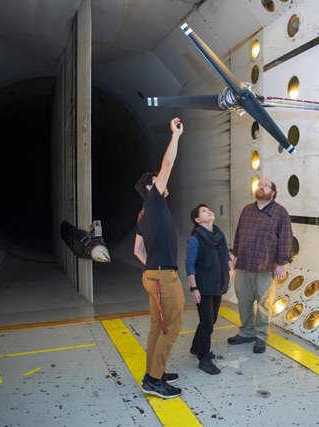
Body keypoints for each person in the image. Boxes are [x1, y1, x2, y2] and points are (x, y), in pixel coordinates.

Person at [133, 117, 184, 399]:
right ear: (151, 188)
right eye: (158, 181)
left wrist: (152, 269)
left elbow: (137, 251)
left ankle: (154, 371)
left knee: (156, 327)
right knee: (170, 327)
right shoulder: (154, 201)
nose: (164, 181)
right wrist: (174, 136)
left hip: (152, 275)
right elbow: (167, 166)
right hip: (163, 276)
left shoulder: (143, 214)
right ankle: (154, 380)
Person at [228, 178, 293, 354]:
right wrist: (235, 255)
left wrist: (281, 263)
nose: (261, 187)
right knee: (244, 300)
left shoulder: (280, 212)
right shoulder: (247, 210)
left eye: (266, 186)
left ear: (273, 192)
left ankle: (261, 337)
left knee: (264, 304)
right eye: (259, 185)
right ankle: (246, 332)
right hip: (244, 263)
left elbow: (286, 238)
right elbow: (239, 233)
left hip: (266, 266)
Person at [185, 204, 233, 375]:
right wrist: (194, 288)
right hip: (204, 287)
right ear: (197, 220)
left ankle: (195, 347)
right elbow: (189, 265)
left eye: (209, 209)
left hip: (218, 284)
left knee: (210, 320)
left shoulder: (218, 235)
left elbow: (226, 255)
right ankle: (203, 357)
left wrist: (230, 269)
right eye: (204, 211)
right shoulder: (195, 239)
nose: (209, 211)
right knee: (207, 322)